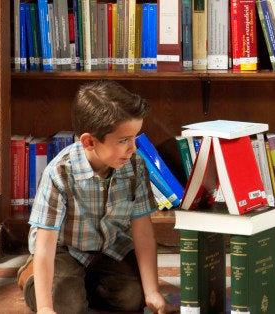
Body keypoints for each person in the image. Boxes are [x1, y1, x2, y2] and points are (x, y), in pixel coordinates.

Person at [17, 80, 179, 314]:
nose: (133, 148)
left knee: (133, 299)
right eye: (124, 140)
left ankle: (80, 284)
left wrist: (152, 293)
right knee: (65, 306)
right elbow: (45, 244)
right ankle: (30, 275)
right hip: (65, 250)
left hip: (110, 248)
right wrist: (44, 308)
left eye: (134, 137)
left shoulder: (136, 166)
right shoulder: (60, 173)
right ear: (89, 142)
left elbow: (143, 231)